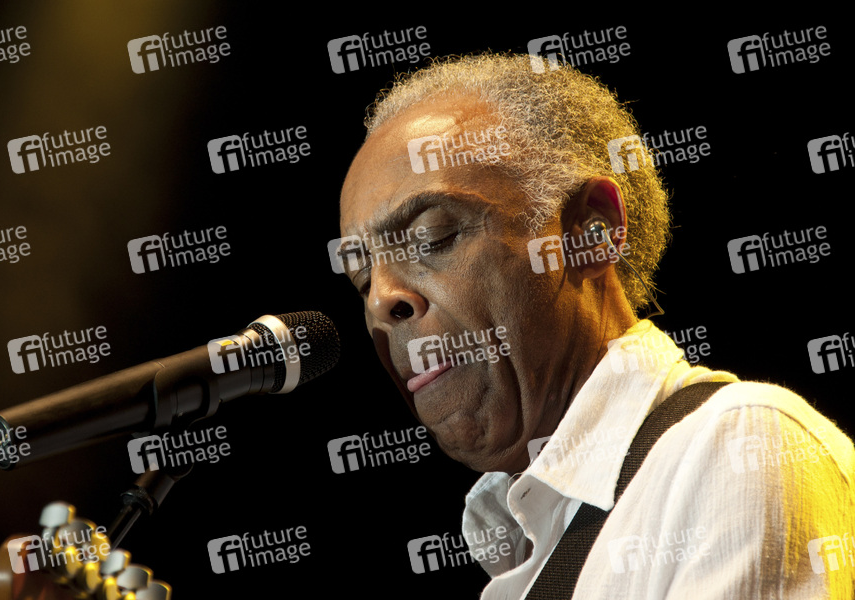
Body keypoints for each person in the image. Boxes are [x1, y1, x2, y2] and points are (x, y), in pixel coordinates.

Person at [335, 52, 855, 598]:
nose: (382, 299)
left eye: (434, 236)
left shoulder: (733, 447)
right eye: (362, 278)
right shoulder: (527, 541)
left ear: (590, 231)